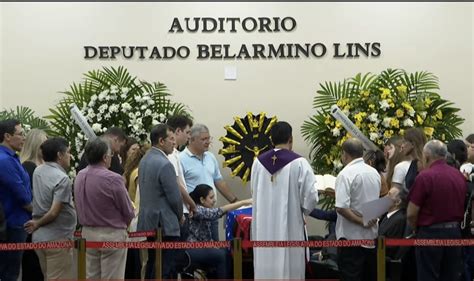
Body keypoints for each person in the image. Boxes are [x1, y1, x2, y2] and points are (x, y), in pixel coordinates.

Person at [251, 121, 319, 279]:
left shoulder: (258, 163)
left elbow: (254, 192)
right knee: (290, 265)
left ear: (271, 140)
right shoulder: (299, 163)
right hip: (290, 226)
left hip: (264, 226)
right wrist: (303, 211)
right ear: (291, 139)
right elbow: (310, 197)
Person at [74, 137, 134, 279]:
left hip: (87, 232)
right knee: (112, 277)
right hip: (111, 233)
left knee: (91, 276)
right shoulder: (113, 178)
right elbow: (127, 210)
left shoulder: (80, 175)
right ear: (105, 157)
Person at [407, 140, 466, 281]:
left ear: (426, 156)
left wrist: (416, 229)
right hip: (454, 234)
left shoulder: (425, 176)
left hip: (430, 234)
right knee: (451, 276)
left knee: (428, 276)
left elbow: (411, 213)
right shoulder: (458, 176)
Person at [24, 137, 76, 281]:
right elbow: (54, 211)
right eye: (68, 152)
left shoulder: (38, 171)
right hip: (57, 237)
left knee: (48, 276)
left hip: (40, 238)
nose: (70, 156)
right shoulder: (62, 178)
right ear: (60, 155)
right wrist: (37, 223)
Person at [137, 124, 183, 279]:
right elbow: (175, 198)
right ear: (161, 141)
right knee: (165, 269)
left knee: (152, 265)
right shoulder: (165, 164)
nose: (174, 142)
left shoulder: (144, 160)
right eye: (171, 138)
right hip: (164, 224)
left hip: (148, 221)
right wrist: (180, 215)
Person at [180, 123, 238, 241]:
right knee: (200, 253)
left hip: (212, 212)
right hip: (194, 215)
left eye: (208, 138)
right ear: (192, 139)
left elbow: (219, 181)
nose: (207, 142)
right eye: (203, 139)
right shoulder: (181, 159)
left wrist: (235, 201)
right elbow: (180, 188)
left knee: (215, 248)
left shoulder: (210, 157)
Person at [335, 138, 380, 281]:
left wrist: (361, 221)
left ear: (345, 154)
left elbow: (341, 208)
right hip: (370, 238)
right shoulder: (374, 173)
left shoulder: (345, 174)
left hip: (351, 239)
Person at [187, 184, 252, 279]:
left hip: (203, 246)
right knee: (223, 255)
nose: (214, 200)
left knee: (229, 251)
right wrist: (243, 202)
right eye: (211, 197)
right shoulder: (197, 210)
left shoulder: (202, 209)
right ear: (202, 200)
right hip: (193, 248)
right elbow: (217, 212)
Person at [0, 119, 32, 281]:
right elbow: (22, 196)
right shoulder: (4, 160)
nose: (24, 138)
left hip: (16, 223)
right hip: (12, 224)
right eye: (20, 134)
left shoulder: (12, 158)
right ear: (7, 136)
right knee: (9, 274)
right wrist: (41, 214)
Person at [19, 128, 47, 281]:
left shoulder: (33, 166)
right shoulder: (30, 167)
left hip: (36, 221)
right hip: (33, 221)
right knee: (33, 265)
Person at [166, 115, 196, 240]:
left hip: (182, 209)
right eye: (187, 132)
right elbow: (176, 184)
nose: (189, 137)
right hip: (179, 211)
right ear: (178, 131)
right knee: (177, 256)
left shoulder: (176, 153)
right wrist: (192, 203)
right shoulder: (171, 154)